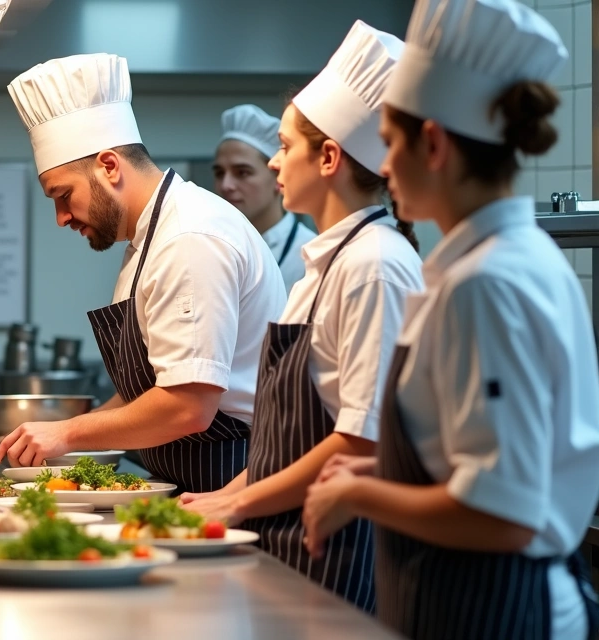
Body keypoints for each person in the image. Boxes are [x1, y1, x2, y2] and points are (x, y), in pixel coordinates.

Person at [302, 1, 599, 637]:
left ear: (432, 143)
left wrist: (356, 495)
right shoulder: (499, 261)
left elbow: (504, 515)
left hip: (501, 607)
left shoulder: (485, 284)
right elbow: (483, 458)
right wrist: (380, 470)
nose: (382, 168)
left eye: (388, 144)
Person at [181, 21, 423, 612]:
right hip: (288, 542)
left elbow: (362, 442)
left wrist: (237, 505)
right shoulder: (325, 265)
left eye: (285, 146)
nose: (273, 160)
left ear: (330, 157)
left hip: (339, 553)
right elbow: (282, 443)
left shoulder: (375, 265)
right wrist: (223, 494)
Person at [0, 53, 287, 493]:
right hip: (183, 480)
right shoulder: (148, 239)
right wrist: (67, 433)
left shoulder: (189, 237)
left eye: (63, 194)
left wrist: (68, 433)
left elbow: (189, 407)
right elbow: (148, 389)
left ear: (109, 166)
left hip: (231, 480)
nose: (60, 217)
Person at [215, 104, 316, 292]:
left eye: (242, 172)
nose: (225, 185)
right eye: (220, 173)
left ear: (277, 176)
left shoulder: (310, 257)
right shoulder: (213, 248)